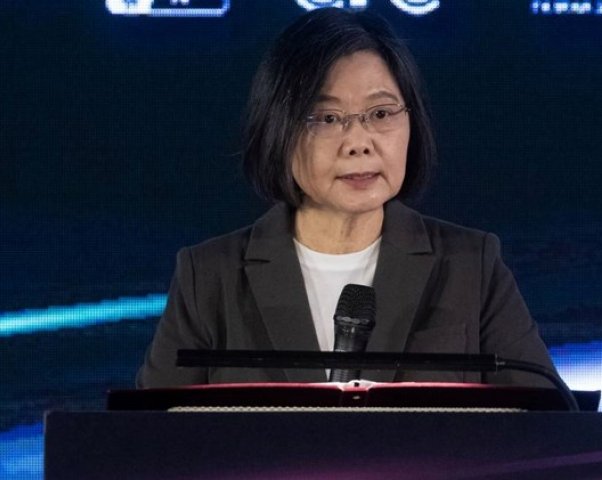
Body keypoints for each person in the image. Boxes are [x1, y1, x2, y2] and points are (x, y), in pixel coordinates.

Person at [136, 7, 558, 388]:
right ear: (278, 129)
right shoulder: (210, 277)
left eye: (380, 113)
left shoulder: (472, 266)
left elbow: (545, 424)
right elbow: (148, 436)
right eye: (327, 118)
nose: (359, 142)